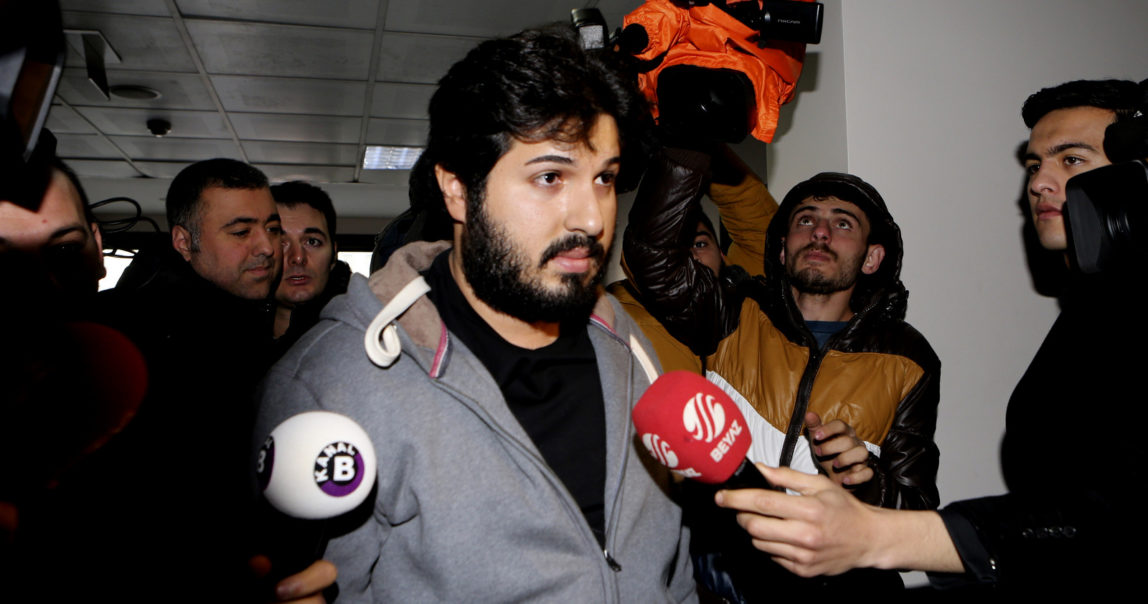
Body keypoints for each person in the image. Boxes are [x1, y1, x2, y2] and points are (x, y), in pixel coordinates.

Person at [254, 25, 696, 601]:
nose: (591, 217)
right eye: (550, 177)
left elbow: (674, 571)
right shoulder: (336, 380)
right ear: (458, 189)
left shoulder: (623, 340)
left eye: (604, 178)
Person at [713, 78, 1145, 595]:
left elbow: (1105, 517)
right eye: (1034, 166)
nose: (1039, 183)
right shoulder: (1091, 311)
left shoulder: (910, 356)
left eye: (1071, 160)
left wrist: (875, 529)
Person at [625, 147, 940, 597]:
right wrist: (687, 145)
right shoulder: (732, 312)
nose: (820, 232)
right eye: (805, 220)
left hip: (844, 584)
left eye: (843, 223)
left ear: (872, 259)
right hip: (722, 576)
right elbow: (652, 256)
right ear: (780, 247)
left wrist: (864, 479)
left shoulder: (909, 358)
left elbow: (918, 511)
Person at [609, 145, 776, 374]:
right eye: (676, 248)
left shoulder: (743, 307)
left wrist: (701, 145)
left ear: (723, 256)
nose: (690, 256)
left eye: (699, 244)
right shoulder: (615, 317)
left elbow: (762, 234)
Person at [270, 180, 351, 348]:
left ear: (334, 254)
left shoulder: (364, 334)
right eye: (281, 243)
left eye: (312, 242)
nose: (298, 258)